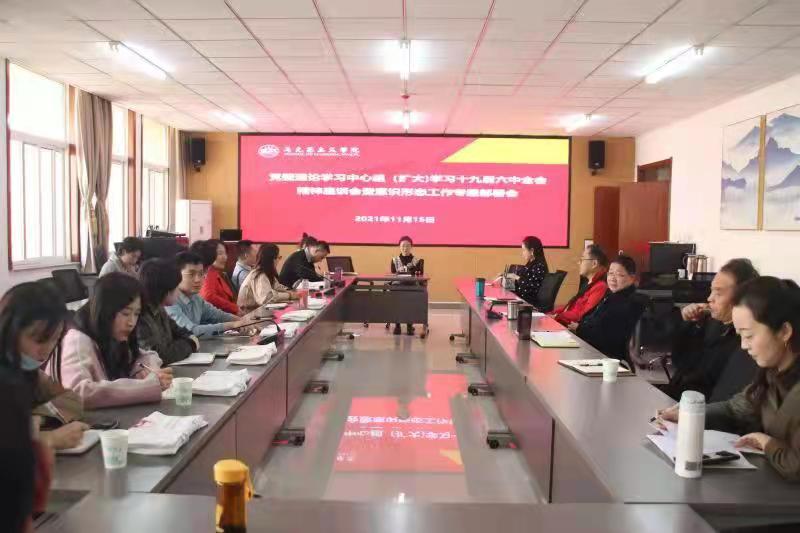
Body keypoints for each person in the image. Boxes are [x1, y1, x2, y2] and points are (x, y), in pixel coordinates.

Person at [657, 277, 800, 480]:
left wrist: (767, 442)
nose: (743, 346)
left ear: (784, 331)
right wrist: (690, 415)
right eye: (740, 336)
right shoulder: (771, 373)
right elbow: (736, 410)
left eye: (749, 336)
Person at [57, 273, 173, 409]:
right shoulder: (77, 340)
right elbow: (77, 392)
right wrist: (145, 387)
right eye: (125, 313)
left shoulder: (110, 333)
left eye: (136, 314)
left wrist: (149, 370)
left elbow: (146, 355)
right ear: (105, 310)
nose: (131, 322)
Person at [0, 282, 88, 451]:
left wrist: (38, 417)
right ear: (9, 331)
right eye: (39, 339)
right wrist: (47, 439)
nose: (47, 349)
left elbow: (72, 400)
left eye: (55, 338)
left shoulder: (28, 371)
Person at [660, 258, 760, 402]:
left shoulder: (744, 341)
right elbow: (681, 362)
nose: (709, 298)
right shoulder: (711, 322)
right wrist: (690, 324)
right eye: (711, 290)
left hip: (699, 406)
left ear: (741, 298)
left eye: (718, 293)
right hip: (678, 395)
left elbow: (718, 392)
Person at [575, 255, 647, 366]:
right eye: (610, 273)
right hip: (595, 350)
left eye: (619, 275)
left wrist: (579, 328)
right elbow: (591, 318)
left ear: (632, 278)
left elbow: (605, 336)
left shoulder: (627, 302)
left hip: (607, 360)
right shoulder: (612, 295)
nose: (612, 278)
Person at [166, 251, 255, 338]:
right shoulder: (169, 301)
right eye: (191, 274)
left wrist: (242, 321)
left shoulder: (196, 298)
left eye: (201, 274)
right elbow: (191, 331)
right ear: (176, 275)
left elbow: (217, 315)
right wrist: (232, 325)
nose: (198, 279)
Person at [138, 259, 201, 366]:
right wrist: (190, 344)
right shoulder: (140, 316)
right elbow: (158, 356)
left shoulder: (159, 308)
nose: (178, 293)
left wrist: (188, 339)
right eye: (176, 288)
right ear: (165, 290)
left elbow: (180, 331)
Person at [552, 244, 609, 326]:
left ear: (594, 264)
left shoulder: (600, 286)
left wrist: (557, 316)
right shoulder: (588, 283)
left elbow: (583, 315)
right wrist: (552, 314)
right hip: (564, 321)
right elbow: (571, 308)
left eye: (582, 259)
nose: (579, 263)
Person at [238, 243, 295, 314]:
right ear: (272, 259)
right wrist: (289, 295)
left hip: (258, 312)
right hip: (249, 315)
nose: (278, 261)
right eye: (279, 257)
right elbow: (266, 298)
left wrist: (292, 292)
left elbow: (277, 287)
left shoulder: (267, 273)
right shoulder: (259, 275)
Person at [389, 236, 425, 335]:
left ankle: (409, 326)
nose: (405, 248)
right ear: (399, 247)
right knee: (396, 302)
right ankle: (397, 326)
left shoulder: (416, 260)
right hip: (397, 286)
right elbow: (393, 274)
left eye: (407, 246)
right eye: (403, 246)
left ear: (411, 247)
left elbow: (419, 275)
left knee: (410, 302)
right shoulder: (394, 260)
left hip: (411, 286)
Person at [197, 239, 241, 315]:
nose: (225, 257)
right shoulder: (209, 272)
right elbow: (208, 296)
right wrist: (235, 309)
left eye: (225, 253)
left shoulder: (217, 273)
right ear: (210, 254)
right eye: (220, 253)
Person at [510, 236, 549, 306]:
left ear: (531, 251)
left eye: (524, 250)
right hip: (521, 299)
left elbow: (531, 287)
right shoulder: (530, 263)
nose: (523, 253)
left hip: (529, 304)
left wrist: (517, 277)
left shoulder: (539, 266)